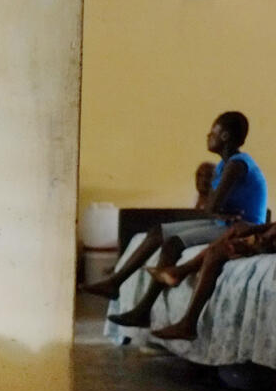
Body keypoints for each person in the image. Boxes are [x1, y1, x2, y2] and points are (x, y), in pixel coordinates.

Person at [83, 112, 267, 329]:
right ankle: (115, 282)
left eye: (213, 132)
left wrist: (216, 210)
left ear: (225, 136)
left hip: (244, 227)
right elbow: (212, 207)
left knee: (173, 243)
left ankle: (143, 310)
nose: (208, 136)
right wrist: (216, 210)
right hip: (224, 222)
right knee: (158, 232)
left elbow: (211, 206)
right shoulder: (223, 165)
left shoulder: (237, 165)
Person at [148, 221, 276, 340]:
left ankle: (188, 323)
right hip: (267, 239)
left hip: (269, 244)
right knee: (237, 229)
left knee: (219, 250)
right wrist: (254, 230)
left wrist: (261, 239)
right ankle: (180, 272)